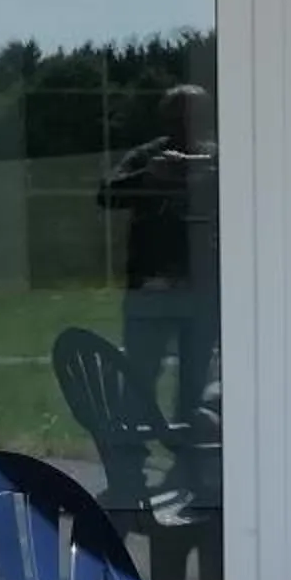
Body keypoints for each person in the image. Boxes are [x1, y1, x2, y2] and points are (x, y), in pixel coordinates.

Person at [96, 83, 219, 423]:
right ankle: (131, 460)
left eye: (196, 116)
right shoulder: (148, 157)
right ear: (166, 120)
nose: (188, 125)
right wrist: (149, 176)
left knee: (197, 380)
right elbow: (107, 194)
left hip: (203, 287)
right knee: (139, 375)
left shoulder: (221, 158)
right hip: (151, 286)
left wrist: (213, 174)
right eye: (179, 116)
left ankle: (190, 455)